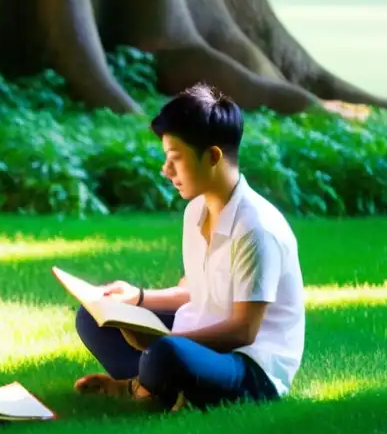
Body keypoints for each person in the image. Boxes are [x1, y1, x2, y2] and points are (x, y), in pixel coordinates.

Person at [73, 84, 305, 412]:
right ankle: (159, 384)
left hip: (250, 367)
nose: (165, 171)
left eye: (175, 160)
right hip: (198, 341)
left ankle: (140, 385)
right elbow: (194, 290)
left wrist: (164, 342)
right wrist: (135, 298)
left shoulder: (257, 228)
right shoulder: (196, 211)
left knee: (166, 354)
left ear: (212, 156)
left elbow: (244, 330)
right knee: (93, 318)